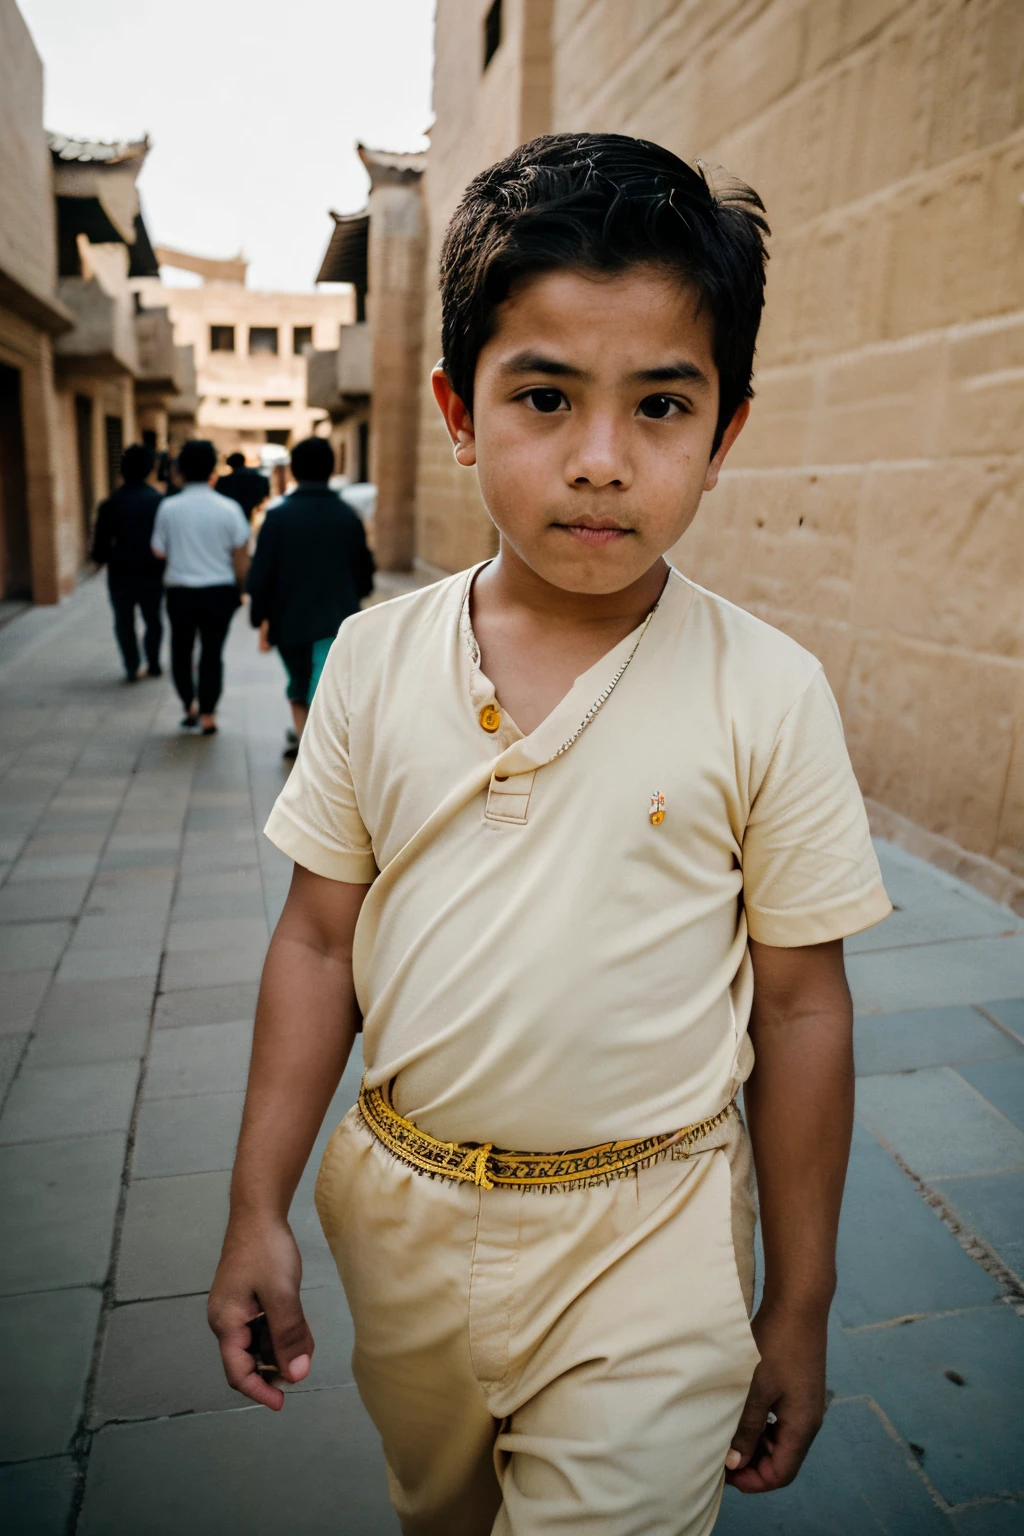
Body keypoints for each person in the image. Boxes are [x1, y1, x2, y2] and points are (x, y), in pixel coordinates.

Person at [209, 134, 893, 1534]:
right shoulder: (379, 663)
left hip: (654, 1236)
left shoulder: (767, 693)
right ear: (461, 411)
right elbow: (319, 939)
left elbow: (804, 1003)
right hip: (398, 1217)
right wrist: (257, 1203)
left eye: (659, 404)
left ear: (726, 429)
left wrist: (800, 1302)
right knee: (442, 1515)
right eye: (545, 397)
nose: (599, 460)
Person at [246, 436, 375, 760]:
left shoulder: (276, 518)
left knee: (299, 681)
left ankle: (308, 743)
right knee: (325, 684)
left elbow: (261, 575)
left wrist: (258, 616)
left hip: (288, 620)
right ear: (330, 469)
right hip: (337, 618)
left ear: (295, 470)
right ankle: (316, 752)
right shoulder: (348, 516)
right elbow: (365, 574)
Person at [151, 439, 251, 735]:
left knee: (181, 651)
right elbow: (241, 554)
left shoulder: (168, 507)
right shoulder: (229, 509)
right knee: (212, 653)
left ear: (180, 470)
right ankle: (208, 714)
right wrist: (241, 590)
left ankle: (189, 706)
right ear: (213, 470)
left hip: (180, 591)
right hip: (219, 591)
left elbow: (158, 550)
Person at [90, 443, 165, 681]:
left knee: (124, 621)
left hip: (120, 571)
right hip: (152, 571)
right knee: (153, 619)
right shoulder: (158, 501)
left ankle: (132, 664)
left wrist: (100, 560)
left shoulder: (111, 503)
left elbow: (100, 545)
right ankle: (152, 661)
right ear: (149, 469)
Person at [216, 451, 270, 522]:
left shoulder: (224, 480)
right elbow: (266, 490)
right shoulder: (258, 476)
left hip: (230, 514)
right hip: (249, 511)